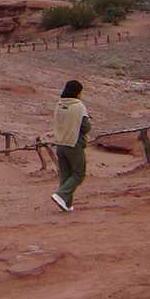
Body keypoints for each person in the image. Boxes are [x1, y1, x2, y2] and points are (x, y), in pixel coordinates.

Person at [51, 80, 90, 212]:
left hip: (60, 143)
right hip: (73, 143)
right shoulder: (79, 106)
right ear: (78, 92)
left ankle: (66, 204)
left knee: (65, 174)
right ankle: (60, 195)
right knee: (79, 173)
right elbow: (86, 127)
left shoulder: (59, 104)